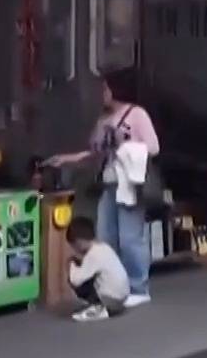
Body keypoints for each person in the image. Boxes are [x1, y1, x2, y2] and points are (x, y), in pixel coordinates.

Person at [45, 70, 160, 307]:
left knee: (130, 238)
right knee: (106, 236)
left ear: (117, 89)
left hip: (130, 184)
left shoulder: (136, 114)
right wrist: (67, 159)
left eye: (106, 88)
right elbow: (96, 152)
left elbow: (153, 147)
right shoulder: (103, 119)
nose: (102, 93)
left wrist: (125, 145)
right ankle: (115, 285)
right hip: (108, 183)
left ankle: (139, 287)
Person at [64, 216, 129, 322]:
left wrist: (71, 263)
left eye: (74, 246)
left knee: (77, 278)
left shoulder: (92, 255)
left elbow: (75, 280)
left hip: (111, 300)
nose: (75, 250)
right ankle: (106, 307)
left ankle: (100, 308)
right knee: (92, 275)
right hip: (122, 297)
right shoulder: (104, 247)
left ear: (79, 242)